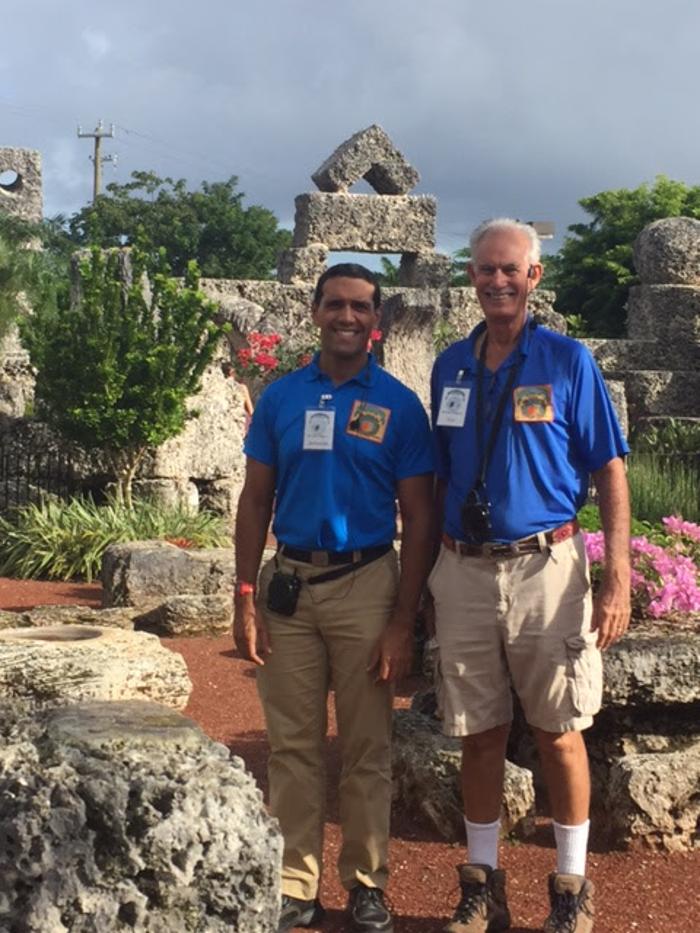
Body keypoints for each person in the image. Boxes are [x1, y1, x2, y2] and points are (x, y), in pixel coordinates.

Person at [428, 219, 631, 933]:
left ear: (533, 277)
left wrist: (617, 575)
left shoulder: (567, 360)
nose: (496, 281)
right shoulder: (451, 364)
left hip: (548, 565)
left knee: (560, 730)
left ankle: (571, 886)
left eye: (509, 269)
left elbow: (609, 467)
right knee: (477, 732)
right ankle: (483, 884)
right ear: (472, 277)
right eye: (484, 270)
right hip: (464, 568)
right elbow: (443, 472)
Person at [234, 263, 434, 933]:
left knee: (366, 744)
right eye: (335, 305)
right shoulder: (282, 398)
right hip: (290, 582)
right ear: (315, 311)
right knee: (291, 745)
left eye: (360, 308)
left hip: (367, 583)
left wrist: (404, 618)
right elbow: (255, 498)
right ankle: (296, 884)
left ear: (376, 322)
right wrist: (243, 594)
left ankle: (367, 880)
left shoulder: (400, 405)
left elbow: (420, 514)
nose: (347, 317)